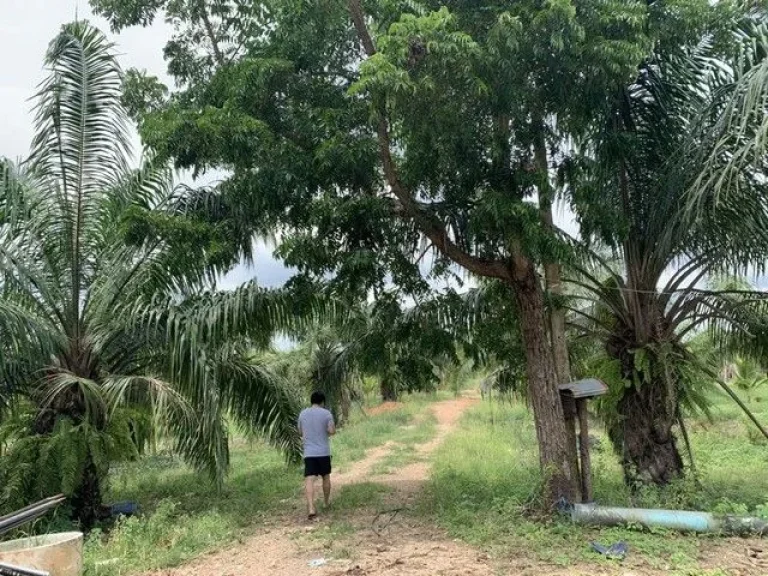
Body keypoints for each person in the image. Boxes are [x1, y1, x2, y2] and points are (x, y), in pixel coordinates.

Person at [298, 391, 336, 519]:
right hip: (323, 452)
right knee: (326, 477)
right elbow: (331, 431)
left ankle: (311, 507)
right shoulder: (326, 413)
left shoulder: (303, 414)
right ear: (322, 402)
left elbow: (300, 432)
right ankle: (326, 502)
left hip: (309, 453)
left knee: (309, 479)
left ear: (311, 401)